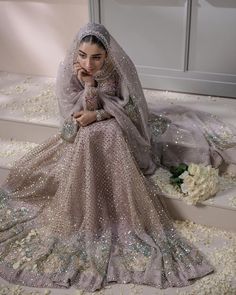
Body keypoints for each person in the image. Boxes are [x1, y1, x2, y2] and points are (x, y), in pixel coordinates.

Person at [0, 22, 235, 293]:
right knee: (91, 135)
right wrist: (89, 87)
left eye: (96, 57)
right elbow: (73, 115)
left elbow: (130, 111)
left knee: (107, 131)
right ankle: (89, 189)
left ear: (107, 55)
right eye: (82, 55)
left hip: (123, 132)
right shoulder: (71, 71)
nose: (88, 63)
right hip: (84, 133)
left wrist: (98, 114)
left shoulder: (118, 70)